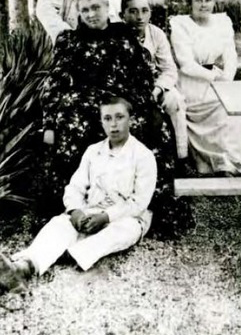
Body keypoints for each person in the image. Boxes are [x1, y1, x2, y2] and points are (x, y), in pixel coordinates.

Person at [41, 0, 175, 222]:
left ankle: (142, 204)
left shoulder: (125, 35)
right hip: (83, 103)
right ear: (79, 13)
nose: (91, 14)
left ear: (107, 7)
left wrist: (145, 101)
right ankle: (75, 207)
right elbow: (55, 82)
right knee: (72, 126)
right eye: (85, 10)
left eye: (95, 7)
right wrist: (49, 123)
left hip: (123, 99)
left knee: (157, 127)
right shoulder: (70, 40)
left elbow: (142, 74)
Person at [0, 97, 156, 294]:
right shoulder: (93, 151)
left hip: (126, 217)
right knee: (60, 223)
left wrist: (105, 217)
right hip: (91, 211)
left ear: (131, 119)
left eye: (120, 117)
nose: (114, 124)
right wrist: (75, 212)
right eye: (107, 118)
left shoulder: (143, 155)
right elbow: (75, 187)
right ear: (101, 122)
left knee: (120, 232)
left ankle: (66, 254)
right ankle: (25, 267)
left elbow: (139, 201)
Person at [169, 0, 241, 176]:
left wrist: (227, 78)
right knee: (222, 108)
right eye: (198, 0)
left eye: (208, 0)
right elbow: (186, 63)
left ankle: (229, 164)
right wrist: (215, 77)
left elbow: (230, 55)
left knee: (233, 106)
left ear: (214, 2)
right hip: (192, 82)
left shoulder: (222, 22)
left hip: (218, 80)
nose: (203, 4)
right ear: (190, 2)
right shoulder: (181, 25)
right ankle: (207, 164)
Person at [120, 0, 188, 159]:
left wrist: (157, 89)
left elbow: (169, 69)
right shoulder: (117, 35)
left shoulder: (156, 34)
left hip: (154, 87)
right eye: (133, 11)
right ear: (123, 15)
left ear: (150, 12)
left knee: (175, 100)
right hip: (127, 89)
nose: (140, 17)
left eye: (144, 11)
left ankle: (180, 157)